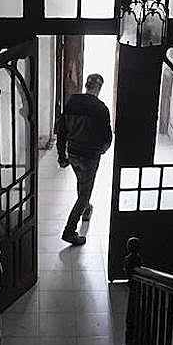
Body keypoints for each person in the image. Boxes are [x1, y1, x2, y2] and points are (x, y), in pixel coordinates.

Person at [55, 72, 113, 246]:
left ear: (86, 85)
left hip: (73, 154)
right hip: (90, 157)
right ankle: (69, 231)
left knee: (82, 183)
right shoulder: (101, 108)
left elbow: (62, 130)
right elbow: (107, 138)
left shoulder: (73, 102)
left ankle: (86, 209)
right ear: (99, 88)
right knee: (84, 191)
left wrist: (61, 155)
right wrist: (100, 151)